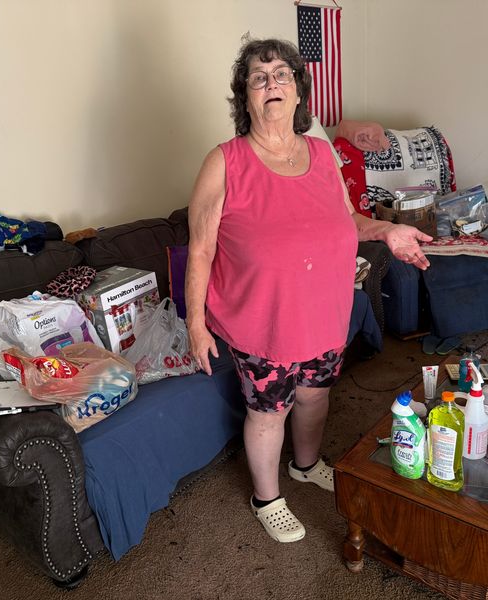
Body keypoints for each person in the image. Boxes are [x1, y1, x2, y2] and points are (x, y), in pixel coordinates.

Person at [185, 38, 431, 543]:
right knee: (267, 411)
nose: (272, 83)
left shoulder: (320, 154)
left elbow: (346, 220)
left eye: (281, 74)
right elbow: (201, 249)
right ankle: (266, 497)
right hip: (263, 321)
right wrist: (193, 322)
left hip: (324, 313)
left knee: (315, 398)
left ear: (298, 92)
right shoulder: (225, 161)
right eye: (259, 77)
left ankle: (305, 465)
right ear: (246, 98)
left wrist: (387, 231)